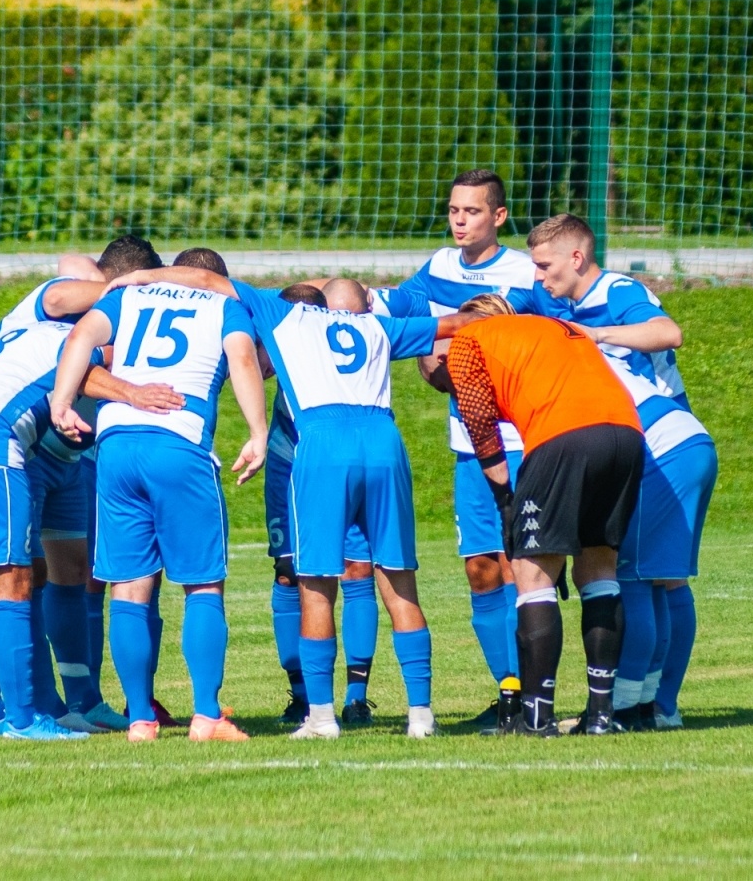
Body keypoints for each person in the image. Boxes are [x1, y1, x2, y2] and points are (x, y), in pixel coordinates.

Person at [109, 265, 474, 739]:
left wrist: (144, 275)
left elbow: (205, 279)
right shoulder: (380, 325)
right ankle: (421, 716)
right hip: (383, 441)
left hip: (322, 442)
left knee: (316, 581)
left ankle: (320, 715)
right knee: (398, 579)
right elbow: (460, 324)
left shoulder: (287, 317)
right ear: (362, 304)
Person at [0, 235, 177, 734]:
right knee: (3, 577)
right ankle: (9, 711)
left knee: (69, 573)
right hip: (10, 449)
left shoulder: (127, 322)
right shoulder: (55, 309)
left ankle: (80, 701)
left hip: (67, 458)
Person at [49, 256, 270, 743]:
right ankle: (207, 715)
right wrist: (257, 431)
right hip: (179, 442)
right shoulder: (225, 305)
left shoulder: (129, 295)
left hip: (117, 446)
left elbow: (79, 339)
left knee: (128, 588)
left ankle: (141, 721)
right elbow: (243, 358)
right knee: (203, 585)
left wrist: (61, 402)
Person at [527, 214, 716, 731]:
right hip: (679, 440)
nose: (538, 278)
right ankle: (662, 708)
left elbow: (668, 331)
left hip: (662, 444)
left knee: (631, 575)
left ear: (577, 258)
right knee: (666, 581)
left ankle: (628, 709)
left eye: (544, 266)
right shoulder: (554, 296)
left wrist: (598, 334)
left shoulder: (617, 289)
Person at [371, 169, 538, 726]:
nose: (460, 220)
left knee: (525, 567)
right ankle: (509, 693)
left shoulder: (521, 273)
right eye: (453, 210)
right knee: (481, 569)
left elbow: (487, 333)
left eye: (472, 211)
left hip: (521, 438)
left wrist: (438, 343)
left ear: (499, 217)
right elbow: (399, 307)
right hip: (470, 442)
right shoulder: (440, 264)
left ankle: (539, 693)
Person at [444, 311, 647, 736]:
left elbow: (479, 421)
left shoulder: (466, 342)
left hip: (563, 434)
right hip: (626, 432)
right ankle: (601, 715)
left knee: (532, 576)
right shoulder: (547, 326)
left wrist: (504, 499)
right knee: (599, 570)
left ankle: (536, 719)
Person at [263, 280, 384, 727]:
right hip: (287, 459)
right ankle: (301, 695)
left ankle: (356, 697)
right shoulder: (277, 334)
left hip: (341, 455)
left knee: (356, 567)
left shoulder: (339, 335)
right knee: (290, 572)